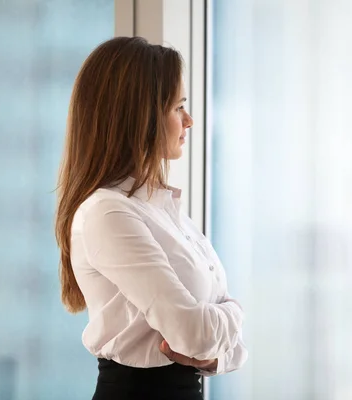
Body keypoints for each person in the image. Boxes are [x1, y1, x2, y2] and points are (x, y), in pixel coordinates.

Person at [54, 36, 247, 400]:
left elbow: (221, 349)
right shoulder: (108, 214)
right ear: (140, 117)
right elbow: (195, 334)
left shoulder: (164, 210)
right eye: (178, 108)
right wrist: (235, 313)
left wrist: (212, 347)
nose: (188, 120)